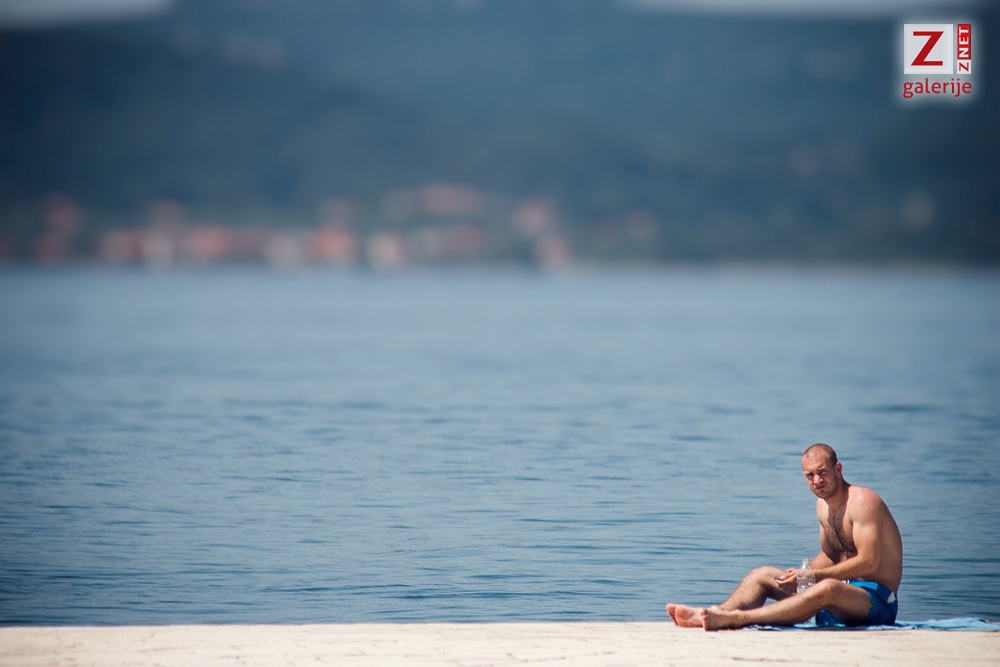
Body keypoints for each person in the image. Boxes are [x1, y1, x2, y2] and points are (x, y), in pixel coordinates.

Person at [666, 443, 903, 630]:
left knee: (828, 587)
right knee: (762, 575)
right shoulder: (823, 507)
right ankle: (717, 612)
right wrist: (799, 576)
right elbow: (833, 556)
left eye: (823, 472)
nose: (817, 481)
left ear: (838, 469)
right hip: (837, 594)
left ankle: (739, 619)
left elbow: (869, 563)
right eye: (810, 475)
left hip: (876, 601)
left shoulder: (862, 502)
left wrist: (813, 576)